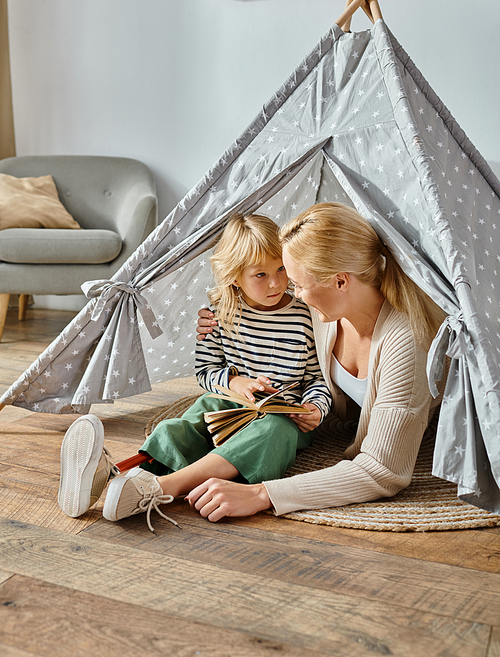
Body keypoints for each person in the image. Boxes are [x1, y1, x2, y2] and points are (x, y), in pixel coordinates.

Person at [58, 213, 331, 531]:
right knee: (179, 427)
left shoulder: (305, 315)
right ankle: (110, 473)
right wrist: (234, 382)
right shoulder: (219, 314)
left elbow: (316, 378)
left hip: (282, 417)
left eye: (281, 268)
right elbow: (205, 371)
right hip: (229, 406)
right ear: (234, 277)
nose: (276, 282)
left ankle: (151, 486)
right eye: (260, 274)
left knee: (274, 431)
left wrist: (316, 409)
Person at [188, 202, 445, 522]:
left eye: (296, 284)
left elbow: (382, 470)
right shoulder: (323, 309)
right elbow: (251, 288)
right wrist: (215, 317)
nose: (289, 294)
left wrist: (261, 494)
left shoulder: (405, 344)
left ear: (340, 281)